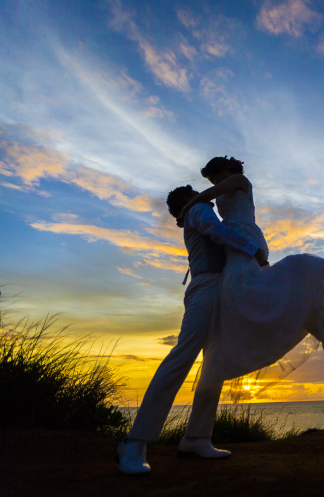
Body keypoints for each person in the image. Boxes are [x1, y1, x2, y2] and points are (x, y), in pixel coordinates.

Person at [116, 185, 267, 475]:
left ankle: (197, 437)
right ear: (187, 200)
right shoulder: (199, 210)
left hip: (217, 288)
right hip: (206, 287)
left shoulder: (196, 209)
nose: (200, 192)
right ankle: (134, 442)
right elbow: (217, 232)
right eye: (193, 191)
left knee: (215, 362)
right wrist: (254, 250)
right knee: (182, 356)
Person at [177, 156, 324, 385]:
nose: (214, 183)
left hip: (243, 236)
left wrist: (185, 209)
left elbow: (206, 197)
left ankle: (299, 307)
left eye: (215, 177)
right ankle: (271, 322)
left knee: (238, 288)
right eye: (211, 180)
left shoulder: (239, 179)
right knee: (234, 289)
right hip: (235, 239)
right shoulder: (225, 187)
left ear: (225, 169)